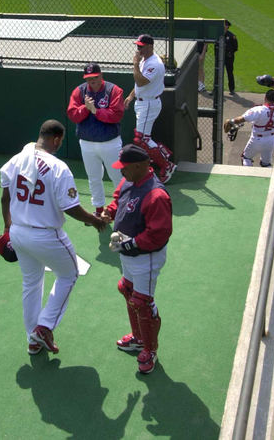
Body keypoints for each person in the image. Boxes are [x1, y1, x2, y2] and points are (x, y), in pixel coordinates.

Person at [0, 119, 106, 356]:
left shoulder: (16, 159)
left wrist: (8, 227)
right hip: (47, 236)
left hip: (18, 232)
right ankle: (44, 326)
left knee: (31, 284)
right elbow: (70, 207)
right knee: (69, 274)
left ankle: (32, 339)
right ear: (56, 139)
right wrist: (95, 219)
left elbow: (5, 197)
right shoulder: (58, 167)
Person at [102, 144, 172, 375]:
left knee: (143, 301)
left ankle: (150, 350)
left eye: (125, 167)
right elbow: (118, 200)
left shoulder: (156, 194)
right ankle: (139, 338)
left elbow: (159, 234)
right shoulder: (129, 181)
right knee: (128, 290)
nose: (121, 172)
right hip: (128, 253)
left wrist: (131, 243)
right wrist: (109, 212)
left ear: (141, 166)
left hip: (146, 257)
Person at [67, 63, 124, 217]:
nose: (92, 81)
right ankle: (98, 210)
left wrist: (96, 111)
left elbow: (116, 115)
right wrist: (85, 108)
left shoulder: (113, 90)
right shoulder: (79, 91)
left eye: (95, 77)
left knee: (117, 176)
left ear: (101, 75)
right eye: (89, 78)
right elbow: (72, 114)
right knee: (93, 177)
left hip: (110, 143)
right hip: (87, 143)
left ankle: (121, 208)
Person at [124, 34, 176, 184]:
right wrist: (131, 96)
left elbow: (140, 81)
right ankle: (163, 156)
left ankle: (167, 165)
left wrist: (135, 64)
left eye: (141, 46)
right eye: (137, 46)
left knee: (141, 139)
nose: (138, 48)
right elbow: (139, 85)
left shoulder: (155, 64)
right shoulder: (145, 60)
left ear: (150, 46)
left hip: (148, 104)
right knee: (143, 138)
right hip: (142, 102)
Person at [225, 80, 274, 167]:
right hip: (270, 140)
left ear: (265, 98)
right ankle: (269, 179)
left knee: (246, 158)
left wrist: (231, 121)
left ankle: (248, 176)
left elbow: (241, 119)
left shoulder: (258, 110)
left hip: (257, 140)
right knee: (266, 163)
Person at [224, 20, 238, 95]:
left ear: (227, 26)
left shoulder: (232, 36)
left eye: (225, 25)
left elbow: (235, 48)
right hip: (220, 57)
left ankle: (232, 89)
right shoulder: (218, 34)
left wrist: (230, 53)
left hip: (229, 57)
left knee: (230, 72)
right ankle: (215, 89)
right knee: (217, 73)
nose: (223, 26)